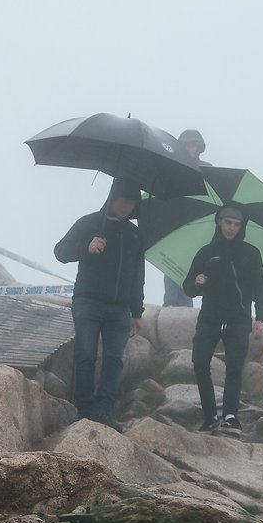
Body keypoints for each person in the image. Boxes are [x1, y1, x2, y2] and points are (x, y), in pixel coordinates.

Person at [54, 177, 145, 432]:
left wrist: (137, 312)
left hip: (120, 309)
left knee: (114, 360)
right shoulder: (91, 222)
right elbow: (60, 251)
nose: (127, 206)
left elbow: (138, 275)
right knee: (86, 355)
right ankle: (83, 410)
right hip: (88, 302)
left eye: (131, 202)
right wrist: (87, 246)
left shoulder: (135, 233)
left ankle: (103, 411)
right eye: (123, 200)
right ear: (112, 198)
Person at [183, 203, 263, 436]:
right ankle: (210, 416)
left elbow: (262, 288)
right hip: (210, 317)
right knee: (200, 363)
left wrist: (261, 317)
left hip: (238, 320)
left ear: (241, 226)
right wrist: (197, 282)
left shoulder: (251, 253)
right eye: (227, 222)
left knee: (234, 367)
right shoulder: (206, 252)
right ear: (219, 222)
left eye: (236, 224)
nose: (231, 228)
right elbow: (188, 288)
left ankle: (231, 416)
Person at [161, 129, 212, 308]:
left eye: (193, 145)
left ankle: (185, 312)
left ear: (199, 147)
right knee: (171, 269)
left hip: (198, 227)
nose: (191, 148)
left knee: (190, 273)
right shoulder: (172, 168)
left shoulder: (206, 169)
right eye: (187, 145)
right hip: (175, 227)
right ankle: (169, 310)